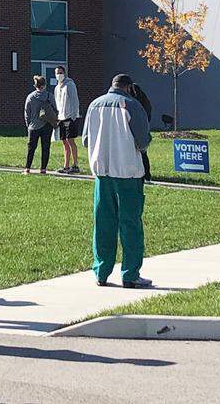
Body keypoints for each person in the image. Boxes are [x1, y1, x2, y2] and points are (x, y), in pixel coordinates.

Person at [83, 74, 152, 288]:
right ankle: (130, 274)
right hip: (128, 173)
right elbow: (143, 141)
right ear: (129, 87)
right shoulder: (132, 105)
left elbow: (86, 140)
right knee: (130, 223)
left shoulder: (94, 105)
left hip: (102, 174)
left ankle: (101, 272)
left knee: (103, 223)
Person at [23, 75, 58, 174]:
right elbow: (55, 109)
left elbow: (27, 112)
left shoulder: (30, 97)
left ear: (35, 85)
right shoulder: (49, 96)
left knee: (31, 148)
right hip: (47, 125)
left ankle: (27, 168)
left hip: (33, 126)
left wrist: (28, 124)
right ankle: (43, 169)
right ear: (44, 85)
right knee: (46, 147)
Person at [54, 66, 82, 174]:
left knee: (71, 140)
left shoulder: (70, 85)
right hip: (61, 117)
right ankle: (66, 166)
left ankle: (75, 165)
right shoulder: (57, 88)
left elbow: (75, 101)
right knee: (64, 142)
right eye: (57, 73)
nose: (59, 75)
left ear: (64, 73)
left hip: (70, 117)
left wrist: (74, 116)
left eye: (61, 72)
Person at [126, 83, 153, 181]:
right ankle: (147, 175)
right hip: (143, 128)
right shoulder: (144, 102)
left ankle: (137, 174)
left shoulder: (133, 103)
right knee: (143, 152)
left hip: (134, 129)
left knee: (138, 153)